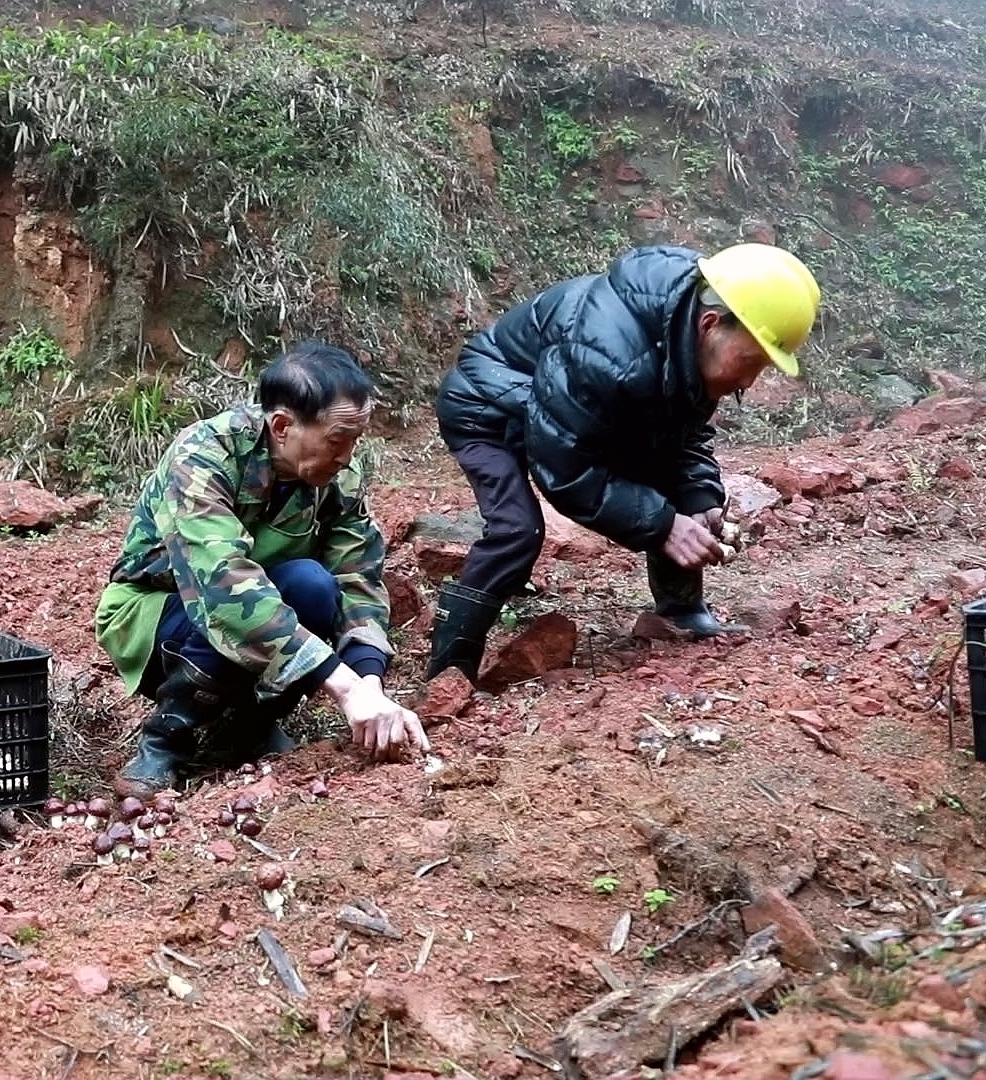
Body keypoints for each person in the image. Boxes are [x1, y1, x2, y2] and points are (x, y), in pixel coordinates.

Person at [427, 242, 822, 681]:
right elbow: (565, 469)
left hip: (558, 407)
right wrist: (664, 525)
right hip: (487, 404)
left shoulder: (685, 344)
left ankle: (681, 614)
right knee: (516, 530)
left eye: (762, 369)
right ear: (710, 324)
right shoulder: (609, 355)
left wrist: (699, 500)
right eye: (750, 362)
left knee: (670, 485)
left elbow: (682, 442)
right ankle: (450, 671)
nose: (747, 381)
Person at [94, 342, 428, 801]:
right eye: (337, 439)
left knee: (313, 585)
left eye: (355, 440)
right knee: (253, 598)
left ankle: (250, 724)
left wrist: (368, 679)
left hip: (263, 612)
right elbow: (224, 585)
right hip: (157, 615)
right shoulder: (204, 456)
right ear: (283, 426)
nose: (348, 455)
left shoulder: (335, 479)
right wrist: (344, 689)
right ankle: (164, 741)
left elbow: (358, 577)